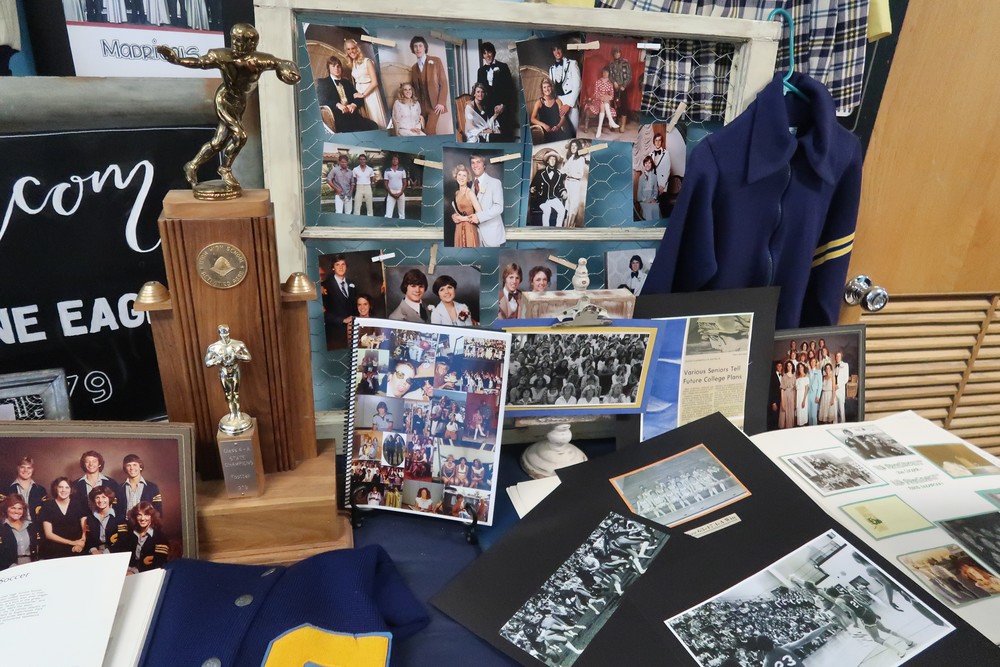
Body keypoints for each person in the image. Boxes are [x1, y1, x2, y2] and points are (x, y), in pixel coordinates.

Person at [155, 23, 300, 196]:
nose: (236, 44)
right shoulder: (222, 56)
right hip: (224, 99)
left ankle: (192, 165)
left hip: (240, 103)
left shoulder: (260, 60)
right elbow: (199, 62)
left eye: (241, 41)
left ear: (252, 44)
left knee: (218, 143)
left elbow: (282, 63)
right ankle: (225, 169)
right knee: (240, 136)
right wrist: (177, 60)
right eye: (234, 40)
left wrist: (289, 72)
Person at [316, 56, 379, 133]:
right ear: (328, 68)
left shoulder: (347, 82)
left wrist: (354, 105)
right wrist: (337, 105)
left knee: (373, 126)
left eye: (338, 66)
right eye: (333, 66)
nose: (336, 68)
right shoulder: (323, 83)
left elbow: (358, 97)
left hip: (353, 116)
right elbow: (321, 100)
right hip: (338, 119)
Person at [39, 477, 88, 559]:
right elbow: (48, 534)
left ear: (71, 490)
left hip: (77, 548)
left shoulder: (78, 504)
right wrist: (72, 542)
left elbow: (85, 529)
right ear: (56, 488)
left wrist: (81, 543)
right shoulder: (47, 506)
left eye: (67, 487)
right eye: (60, 487)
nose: (63, 490)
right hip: (54, 550)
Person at [476, 42, 516, 142]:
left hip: (503, 109)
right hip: (488, 111)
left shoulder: (503, 67)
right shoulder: (480, 71)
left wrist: (503, 105)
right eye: (484, 53)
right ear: (482, 56)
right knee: (492, 139)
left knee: (505, 138)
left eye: (489, 52)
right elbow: (479, 91)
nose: (487, 55)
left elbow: (510, 89)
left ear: (493, 52)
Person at [410, 36, 448, 135]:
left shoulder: (436, 61)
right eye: (415, 46)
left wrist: (441, 102)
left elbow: (443, 83)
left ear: (425, 47)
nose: (418, 48)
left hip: (434, 105)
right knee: (422, 132)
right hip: (421, 106)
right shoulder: (413, 68)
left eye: (420, 46)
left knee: (430, 130)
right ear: (413, 49)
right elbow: (413, 88)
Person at [344, 38, 386, 129]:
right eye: (348, 49)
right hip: (359, 95)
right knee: (367, 120)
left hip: (370, 93)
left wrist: (363, 95)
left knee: (375, 118)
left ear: (357, 48)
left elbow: (375, 82)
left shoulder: (367, 61)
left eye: (353, 48)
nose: (351, 51)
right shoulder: (353, 63)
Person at [469, 154, 506, 246]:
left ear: (484, 165)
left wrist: (479, 217)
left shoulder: (495, 182)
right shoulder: (472, 185)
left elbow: (498, 207)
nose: (475, 165)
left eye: (478, 162)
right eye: (473, 163)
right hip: (475, 234)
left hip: (492, 234)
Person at [121, 502, 169, 573]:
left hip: (147, 574)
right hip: (128, 571)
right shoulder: (131, 534)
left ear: (152, 516)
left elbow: (158, 564)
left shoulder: (160, 537)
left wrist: (135, 572)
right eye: (139, 515)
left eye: (146, 515)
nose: (142, 518)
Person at [321, 254, 358, 348]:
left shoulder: (352, 284)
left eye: (343, 264)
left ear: (346, 267)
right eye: (337, 264)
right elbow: (321, 313)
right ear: (333, 268)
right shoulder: (324, 286)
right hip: (334, 333)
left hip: (352, 331)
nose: (340, 267)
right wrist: (342, 320)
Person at [85, 486, 126, 555]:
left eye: (104, 497)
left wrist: (106, 552)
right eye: (97, 497)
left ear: (109, 498)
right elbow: (88, 538)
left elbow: (123, 539)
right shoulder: (90, 518)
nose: (100, 500)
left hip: (113, 553)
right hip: (95, 553)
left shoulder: (120, 518)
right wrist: (93, 550)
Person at [0, 495, 39, 568]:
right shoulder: (2, 527)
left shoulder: (30, 525)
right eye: (13, 508)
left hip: (31, 565)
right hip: (8, 567)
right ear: (6, 509)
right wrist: (11, 566)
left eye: (20, 508)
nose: (16, 511)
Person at [548, 43, 581, 131]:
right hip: (558, 100)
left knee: (576, 128)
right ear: (552, 52)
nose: (557, 52)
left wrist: (569, 104)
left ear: (562, 49)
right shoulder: (551, 69)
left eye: (558, 49)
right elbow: (552, 88)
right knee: (563, 129)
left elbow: (578, 85)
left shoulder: (572, 63)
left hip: (570, 99)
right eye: (554, 50)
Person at [530, 78, 574, 143]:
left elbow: (563, 117)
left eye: (548, 86)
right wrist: (544, 125)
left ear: (551, 87)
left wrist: (558, 126)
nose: (547, 89)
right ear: (542, 89)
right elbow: (532, 119)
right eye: (544, 87)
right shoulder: (539, 102)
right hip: (545, 132)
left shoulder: (557, 101)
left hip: (557, 130)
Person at [530, 153, 568, 227]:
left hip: (553, 198)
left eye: (554, 159)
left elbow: (561, 186)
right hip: (542, 199)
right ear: (547, 161)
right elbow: (533, 185)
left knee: (562, 211)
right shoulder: (540, 173)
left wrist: (564, 191)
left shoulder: (558, 174)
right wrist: (532, 189)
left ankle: (558, 229)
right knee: (547, 210)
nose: (553, 161)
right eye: (551, 159)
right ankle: (546, 229)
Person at [449, 163, 481, 248]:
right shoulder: (456, 193)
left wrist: (463, 218)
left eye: (464, 175)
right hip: (459, 228)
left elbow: (480, 214)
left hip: (469, 229)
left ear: (468, 178)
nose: (461, 178)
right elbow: (459, 211)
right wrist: (454, 216)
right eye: (459, 175)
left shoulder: (469, 193)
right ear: (456, 176)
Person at [7, 456, 46, 523]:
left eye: (29, 468)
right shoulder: (6, 489)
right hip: (12, 526)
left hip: (36, 526)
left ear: (32, 470)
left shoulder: (41, 490)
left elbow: (46, 514)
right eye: (22, 467)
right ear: (18, 468)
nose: (26, 470)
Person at [586, 67, 620, 139]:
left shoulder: (610, 83)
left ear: (609, 73)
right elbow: (596, 93)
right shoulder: (598, 81)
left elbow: (612, 95)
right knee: (603, 103)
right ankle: (611, 121)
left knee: (605, 102)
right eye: (604, 72)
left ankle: (599, 128)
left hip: (607, 100)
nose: (605, 74)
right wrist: (601, 97)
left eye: (607, 72)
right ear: (602, 73)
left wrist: (607, 97)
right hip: (598, 100)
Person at [563, 139, 587, 227]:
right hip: (567, 183)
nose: (573, 147)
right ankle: (565, 226)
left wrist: (570, 173)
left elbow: (580, 174)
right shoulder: (569, 158)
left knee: (573, 205)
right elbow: (564, 170)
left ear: (578, 148)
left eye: (575, 146)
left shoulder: (581, 159)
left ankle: (570, 226)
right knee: (567, 205)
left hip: (574, 184)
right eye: (572, 146)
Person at [607, 47, 632, 132]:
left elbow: (629, 76)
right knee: (614, 105)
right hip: (614, 88)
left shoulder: (626, 63)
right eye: (615, 53)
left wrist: (624, 86)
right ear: (613, 54)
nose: (617, 54)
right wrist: (614, 82)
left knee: (624, 105)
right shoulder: (611, 64)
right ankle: (614, 122)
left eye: (618, 52)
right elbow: (610, 76)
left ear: (620, 53)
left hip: (623, 88)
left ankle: (622, 125)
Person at [648, 132, 672, 217]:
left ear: (661, 142)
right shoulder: (650, 154)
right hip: (653, 184)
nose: (657, 142)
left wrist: (662, 185)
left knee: (663, 206)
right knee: (654, 207)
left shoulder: (666, 153)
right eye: (656, 140)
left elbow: (668, 169)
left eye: (659, 140)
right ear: (654, 142)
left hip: (662, 184)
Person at [383, 154, 409, 219]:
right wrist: (391, 193)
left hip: (400, 192)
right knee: (388, 214)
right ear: (391, 161)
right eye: (393, 159)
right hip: (391, 193)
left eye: (396, 159)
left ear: (398, 161)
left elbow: (405, 183)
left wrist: (401, 193)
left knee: (402, 214)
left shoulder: (402, 170)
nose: (395, 160)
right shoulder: (387, 171)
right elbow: (386, 184)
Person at [636, 155, 660, 221]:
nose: (647, 165)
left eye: (649, 163)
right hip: (644, 201)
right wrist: (646, 200)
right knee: (649, 209)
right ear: (644, 164)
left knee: (656, 208)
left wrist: (653, 198)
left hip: (652, 200)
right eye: (646, 163)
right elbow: (639, 194)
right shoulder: (641, 178)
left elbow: (655, 191)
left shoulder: (654, 177)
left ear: (651, 165)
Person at [779, 360, 796, 429]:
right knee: (784, 412)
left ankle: (789, 428)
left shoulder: (794, 377)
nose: (789, 367)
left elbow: (795, 390)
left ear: (792, 367)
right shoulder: (784, 376)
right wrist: (782, 401)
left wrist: (794, 400)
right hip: (785, 395)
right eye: (788, 366)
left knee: (790, 412)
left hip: (792, 395)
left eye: (790, 365)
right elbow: (782, 390)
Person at [834, 351, 850, 423]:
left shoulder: (845, 365)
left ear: (841, 357)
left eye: (839, 356)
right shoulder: (834, 366)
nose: (837, 357)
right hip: (834, 390)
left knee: (841, 409)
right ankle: (835, 424)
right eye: (836, 356)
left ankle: (843, 423)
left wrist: (838, 386)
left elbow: (846, 379)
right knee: (834, 410)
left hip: (840, 390)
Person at [807, 357, 822, 425]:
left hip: (815, 394)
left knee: (813, 415)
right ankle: (810, 429)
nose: (812, 363)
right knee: (809, 415)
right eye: (811, 361)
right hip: (808, 394)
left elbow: (820, 385)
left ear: (816, 363)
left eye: (814, 361)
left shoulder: (818, 372)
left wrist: (818, 396)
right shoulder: (808, 372)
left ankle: (815, 428)